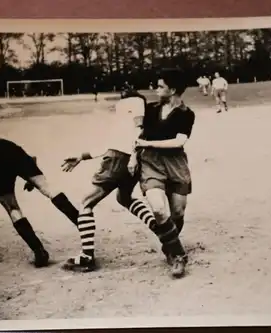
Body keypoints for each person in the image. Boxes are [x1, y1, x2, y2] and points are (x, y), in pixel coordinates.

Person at [60, 90, 171, 273]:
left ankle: (87, 256)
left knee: (86, 203)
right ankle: (162, 232)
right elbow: (113, 143)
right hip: (132, 159)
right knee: (124, 198)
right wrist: (81, 156)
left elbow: (134, 132)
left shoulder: (131, 103)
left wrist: (132, 156)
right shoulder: (133, 109)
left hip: (120, 159)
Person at [0, 136, 80, 268]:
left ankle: (39, 251)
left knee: (13, 208)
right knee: (48, 189)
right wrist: (30, 180)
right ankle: (82, 222)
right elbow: (31, 158)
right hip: (15, 153)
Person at [132, 68, 195, 279]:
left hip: (176, 165)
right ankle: (178, 255)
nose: (155, 89)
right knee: (159, 210)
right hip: (151, 163)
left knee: (177, 213)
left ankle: (169, 244)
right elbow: (137, 136)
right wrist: (134, 157)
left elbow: (179, 141)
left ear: (173, 89)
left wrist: (148, 143)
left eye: (160, 86)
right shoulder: (150, 110)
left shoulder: (186, 114)